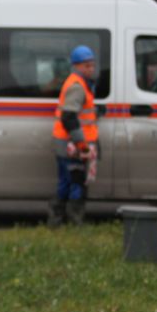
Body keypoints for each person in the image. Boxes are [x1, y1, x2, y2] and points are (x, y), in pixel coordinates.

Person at [48, 45, 99, 226]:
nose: (91, 69)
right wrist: (82, 145)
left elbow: (79, 113)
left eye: (92, 65)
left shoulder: (76, 82)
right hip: (73, 146)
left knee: (64, 182)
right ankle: (75, 221)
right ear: (76, 65)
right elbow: (69, 117)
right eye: (87, 66)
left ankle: (56, 221)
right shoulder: (78, 86)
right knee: (77, 181)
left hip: (65, 144)